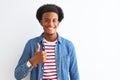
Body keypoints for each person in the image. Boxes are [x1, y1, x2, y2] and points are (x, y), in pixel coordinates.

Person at [14, 4, 80, 80]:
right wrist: (32, 62)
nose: (50, 24)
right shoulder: (31, 44)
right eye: (46, 20)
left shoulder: (68, 46)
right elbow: (17, 75)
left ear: (58, 23)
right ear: (41, 22)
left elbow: (74, 75)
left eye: (54, 20)